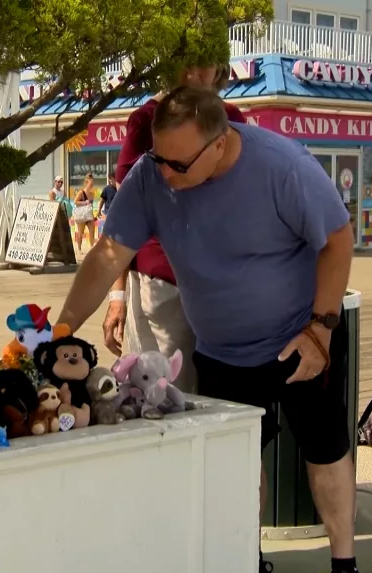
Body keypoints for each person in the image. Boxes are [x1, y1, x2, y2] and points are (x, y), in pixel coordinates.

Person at [55, 87, 358, 573]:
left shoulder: (284, 166)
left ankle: (345, 564)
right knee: (235, 461)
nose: (165, 175)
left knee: (325, 450)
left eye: (179, 164)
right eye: (158, 159)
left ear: (220, 143)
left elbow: (338, 239)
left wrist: (321, 331)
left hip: (301, 338)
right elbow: (109, 252)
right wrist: (64, 328)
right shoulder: (152, 178)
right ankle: (245, 558)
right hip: (221, 351)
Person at [102, 64, 245, 395]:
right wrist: (118, 294)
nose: (192, 73)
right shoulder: (147, 119)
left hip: (216, 281)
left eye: (203, 62)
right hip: (163, 280)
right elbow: (124, 219)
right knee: (159, 390)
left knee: (195, 394)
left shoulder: (232, 117)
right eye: (187, 62)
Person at [72, 173, 98, 252]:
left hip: (89, 215)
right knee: (81, 232)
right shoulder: (81, 192)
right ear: (86, 183)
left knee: (92, 230)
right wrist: (84, 202)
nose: (92, 185)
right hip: (81, 214)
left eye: (93, 184)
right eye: (90, 184)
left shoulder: (92, 194)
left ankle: (91, 247)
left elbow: (91, 206)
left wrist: (93, 216)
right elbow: (75, 202)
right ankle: (79, 248)